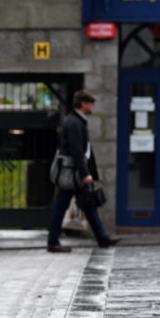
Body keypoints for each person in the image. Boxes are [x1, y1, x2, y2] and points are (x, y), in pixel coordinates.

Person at [47, 90, 119, 253]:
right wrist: (85, 173)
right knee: (61, 206)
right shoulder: (74, 123)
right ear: (83, 104)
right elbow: (77, 151)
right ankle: (52, 242)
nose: (93, 106)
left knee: (88, 205)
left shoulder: (77, 121)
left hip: (75, 172)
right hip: (72, 173)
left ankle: (102, 238)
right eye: (91, 103)